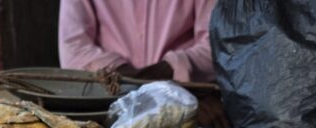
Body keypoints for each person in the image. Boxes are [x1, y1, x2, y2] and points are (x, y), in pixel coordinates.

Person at [58, 0, 216, 83]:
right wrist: (129, 79)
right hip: (109, 96)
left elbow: (217, 46)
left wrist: (169, 70)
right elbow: (73, 48)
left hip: (187, 93)